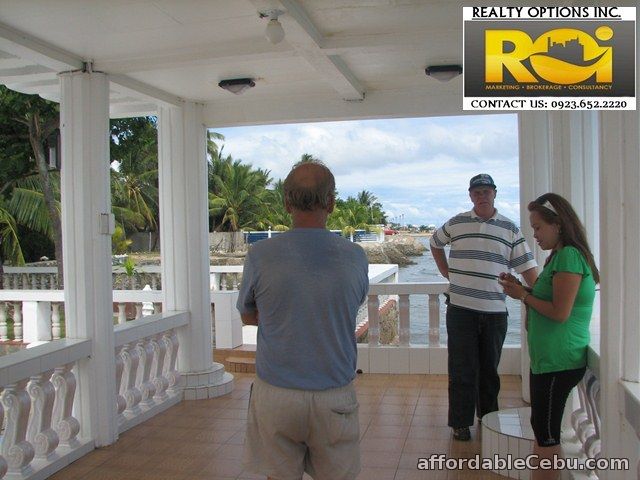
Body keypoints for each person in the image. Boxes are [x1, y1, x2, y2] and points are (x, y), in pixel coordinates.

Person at [236, 160, 369, 480]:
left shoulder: (259, 255)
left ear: (286, 202)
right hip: (334, 394)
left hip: (276, 395)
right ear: (332, 202)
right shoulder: (355, 256)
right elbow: (349, 306)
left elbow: (247, 314)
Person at [430, 173, 538, 441]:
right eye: (476, 192)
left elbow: (528, 269)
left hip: (494, 314)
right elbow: (434, 242)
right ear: (470, 195)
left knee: (489, 371)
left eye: (486, 191)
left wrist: (542, 294)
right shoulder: (456, 222)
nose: (481, 195)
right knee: (461, 370)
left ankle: (489, 418)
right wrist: (446, 271)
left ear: (495, 193)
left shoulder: (510, 229)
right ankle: (460, 423)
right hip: (460, 311)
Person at [499, 193, 598, 480]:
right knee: (543, 431)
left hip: (559, 361)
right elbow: (550, 300)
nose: (535, 235)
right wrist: (522, 289)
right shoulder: (560, 256)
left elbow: (559, 312)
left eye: (538, 227)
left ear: (558, 224)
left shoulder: (569, 256)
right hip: (548, 360)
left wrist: (522, 297)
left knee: (547, 436)